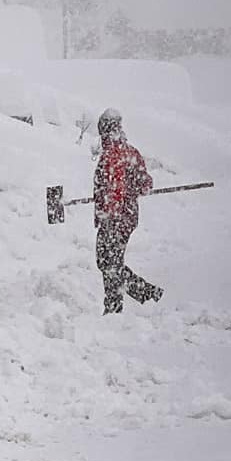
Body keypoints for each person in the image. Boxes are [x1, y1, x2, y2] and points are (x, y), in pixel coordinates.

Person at [93, 108, 162, 315]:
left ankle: (120, 305)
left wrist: (110, 214)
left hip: (115, 218)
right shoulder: (130, 152)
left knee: (108, 263)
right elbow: (145, 184)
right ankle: (143, 295)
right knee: (109, 262)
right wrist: (130, 190)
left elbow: (114, 189)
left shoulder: (113, 155)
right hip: (126, 217)